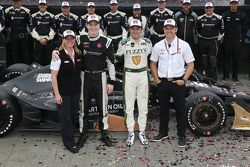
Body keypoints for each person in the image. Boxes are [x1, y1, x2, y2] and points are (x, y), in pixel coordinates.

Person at [52, 14, 116, 147]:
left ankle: (104, 134)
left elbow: (111, 64)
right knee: (83, 108)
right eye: (90, 24)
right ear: (86, 26)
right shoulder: (80, 39)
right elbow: (65, 41)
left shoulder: (107, 41)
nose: (93, 27)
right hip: (84, 77)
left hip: (101, 77)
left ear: (99, 26)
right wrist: (55, 50)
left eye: (95, 24)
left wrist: (111, 82)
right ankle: (83, 134)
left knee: (103, 107)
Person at [150, 19, 194, 147]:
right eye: (166, 28)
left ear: (176, 29)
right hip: (163, 82)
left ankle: (182, 135)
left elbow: (190, 64)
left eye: (171, 28)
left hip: (178, 82)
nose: (168, 31)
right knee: (163, 110)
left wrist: (184, 79)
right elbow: (153, 63)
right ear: (163, 30)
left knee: (180, 110)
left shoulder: (184, 45)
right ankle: (163, 133)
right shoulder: (158, 45)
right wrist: (157, 79)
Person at [116, 19, 152, 146]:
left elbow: (152, 58)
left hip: (143, 75)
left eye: (138, 28)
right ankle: (130, 132)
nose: (135, 31)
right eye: (133, 28)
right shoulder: (124, 43)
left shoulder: (147, 43)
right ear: (130, 30)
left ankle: (142, 131)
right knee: (129, 106)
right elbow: (116, 58)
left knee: (143, 105)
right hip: (129, 75)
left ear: (141, 30)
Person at [51, 29, 82, 154]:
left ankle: (71, 139)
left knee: (73, 116)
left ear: (75, 40)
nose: (69, 40)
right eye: (67, 38)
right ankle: (69, 143)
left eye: (71, 38)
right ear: (63, 40)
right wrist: (57, 94)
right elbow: (53, 76)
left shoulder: (79, 54)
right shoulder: (58, 55)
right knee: (66, 118)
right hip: (63, 93)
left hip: (75, 92)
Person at [197, 2, 224, 81]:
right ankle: (206, 78)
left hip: (213, 42)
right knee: (205, 61)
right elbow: (197, 30)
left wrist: (217, 39)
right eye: (207, 8)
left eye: (210, 8)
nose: (208, 9)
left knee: (213, 61)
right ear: (204, 9)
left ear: (213, 8)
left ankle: (214, 79)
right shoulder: (199, 18)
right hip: (203, 42)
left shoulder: (219, 18)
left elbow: (222, 31)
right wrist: (201, 37)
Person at [222, 0, 247, 83]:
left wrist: (241, 38)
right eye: (232, 3)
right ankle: (225, 76)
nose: (233, 5)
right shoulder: (225, 15)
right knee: (226, 59)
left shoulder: (242, 14)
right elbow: (222, 28)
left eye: (235, 3)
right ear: (230, 4)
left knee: (236, 59)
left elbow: (244, 28)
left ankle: (235, 77)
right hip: (227, 40)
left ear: (237, 4)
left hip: (237, 41)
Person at [5, 0, 31, 64]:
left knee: (25, 52)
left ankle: (27, 67)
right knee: (14, 52)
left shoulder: (26, 11)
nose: (16, 3)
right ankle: (15, 67)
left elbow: (30, 24)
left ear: (20, 1)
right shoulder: (8, 11)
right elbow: (6, 24)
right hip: (13, 34)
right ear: (12, 2)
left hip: (23, 34)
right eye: (15, 1)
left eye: (17, 1)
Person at [30, 0, 55, 65]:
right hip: (38, 40)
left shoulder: (51, 16)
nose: (42, 6)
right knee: (38, 58)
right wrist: (40, 39)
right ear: (38, 6)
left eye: (44, 5)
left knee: (50, 58)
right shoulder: (33, 16)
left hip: (48, 40)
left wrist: (46, 39)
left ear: (46, 6)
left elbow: (53, 30)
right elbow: (32, 29)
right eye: (41, 5)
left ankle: (50, 72)